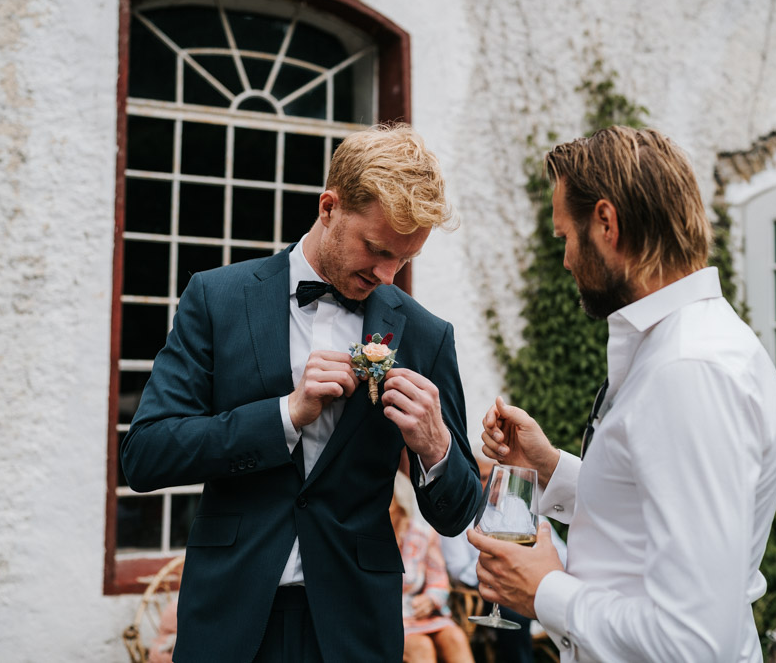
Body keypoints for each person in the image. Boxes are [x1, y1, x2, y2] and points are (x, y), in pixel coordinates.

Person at [121, 123, 481, 663]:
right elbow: (146, 455)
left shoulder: (427, 335)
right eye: (377, 249)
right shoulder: (217, 300)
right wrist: (286, 415)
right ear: (329, 206)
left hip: (355, 628)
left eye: (404, 260)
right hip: (229, 615)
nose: (387, 275)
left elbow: (457, 513)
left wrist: (435, 449)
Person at [469, 125, 776, 662]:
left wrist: (544, 590)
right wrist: (550, 467)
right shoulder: (678, 345)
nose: (567, 259)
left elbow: (694, 643)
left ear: (606, 222)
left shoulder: (689, 370)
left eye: (565, 237)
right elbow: (640, 515)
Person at [440, 455, 568, 663]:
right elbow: (458, 569)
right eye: (485, 477)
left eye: (500, 478)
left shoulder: (522, 505)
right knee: (514, 609)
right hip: (484, 591)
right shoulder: (458, 513)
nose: (494, 484)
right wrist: (504, 561)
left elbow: (561, 553)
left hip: (532, 582)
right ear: (470, 477)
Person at [390, 471, 475, 663]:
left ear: (400, 505)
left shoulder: (422, 535)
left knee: (455, 638)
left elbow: (439, 580)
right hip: (388, 620)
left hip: (422, 615)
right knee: (421, 647)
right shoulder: (364, 539)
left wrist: (430, 600)